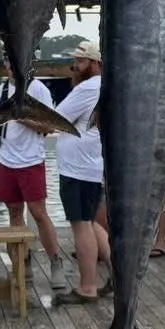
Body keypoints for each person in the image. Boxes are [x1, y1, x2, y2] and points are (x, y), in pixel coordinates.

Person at [0, 73, 65, 272]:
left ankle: (56, 262)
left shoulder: (38, 89)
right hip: (5, 161)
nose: (10, 65)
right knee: (14, 212)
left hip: (31, 161)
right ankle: (21, 264)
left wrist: (20, 118)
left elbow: (49, 126)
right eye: (7, 60)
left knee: (39, 213)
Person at [52, 42, 111, 304]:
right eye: (74, 61)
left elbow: (57, 117)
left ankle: (87, 286)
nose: (75, 66)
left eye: (81, 61)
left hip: (77, 167)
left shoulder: (88, 87)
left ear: (95, 63)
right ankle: (117, 275)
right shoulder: (108, 86)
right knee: (91, 223)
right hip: (92, 164)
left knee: (81, 225)